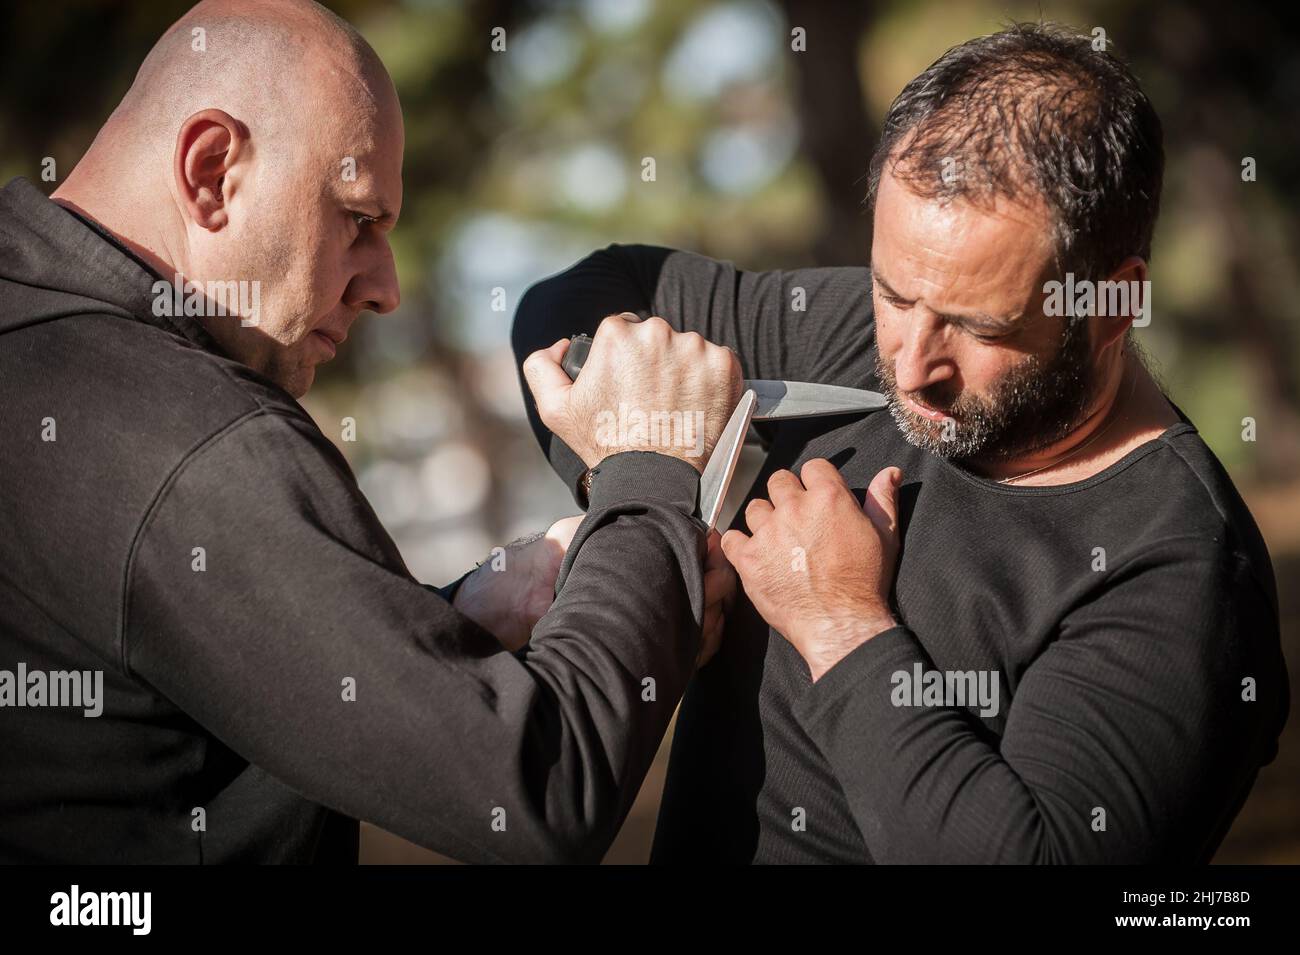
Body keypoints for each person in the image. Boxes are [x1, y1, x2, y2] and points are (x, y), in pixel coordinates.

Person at [514, 23, 1290, 863]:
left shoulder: (1179, 567)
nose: (912, 365)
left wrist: (842, 625)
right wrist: (648, 493)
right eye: (894, 289)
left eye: (976, 324)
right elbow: (576, 302)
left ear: (1111, 304)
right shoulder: (853, 337)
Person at [0, 0, 739, 864]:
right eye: (357, 219)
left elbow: (165, 700)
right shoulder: (194, 441)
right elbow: (539, 787)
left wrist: (452, 618)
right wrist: (647, 466)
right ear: (210, 172)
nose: (384, 288)